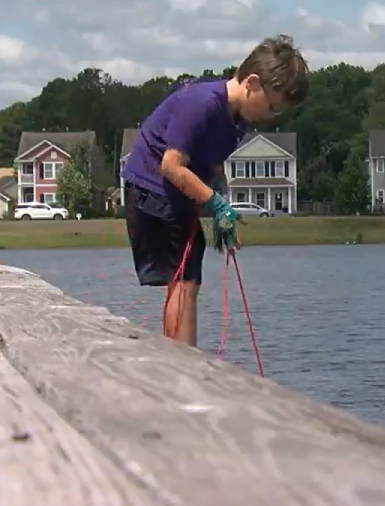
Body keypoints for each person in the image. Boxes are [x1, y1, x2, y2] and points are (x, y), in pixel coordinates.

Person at [121, 34, 309, 347]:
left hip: (177, 194)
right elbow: (171, 165)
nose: (270, 116)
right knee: (182, 281)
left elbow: (210, 164)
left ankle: (183, 357)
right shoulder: (202, 103)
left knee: (188, 280)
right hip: (151, 190)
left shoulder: (237, 119)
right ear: (252, 83)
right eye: (272, 107)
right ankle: (182, 362)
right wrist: (216, 204)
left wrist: (213, 204)